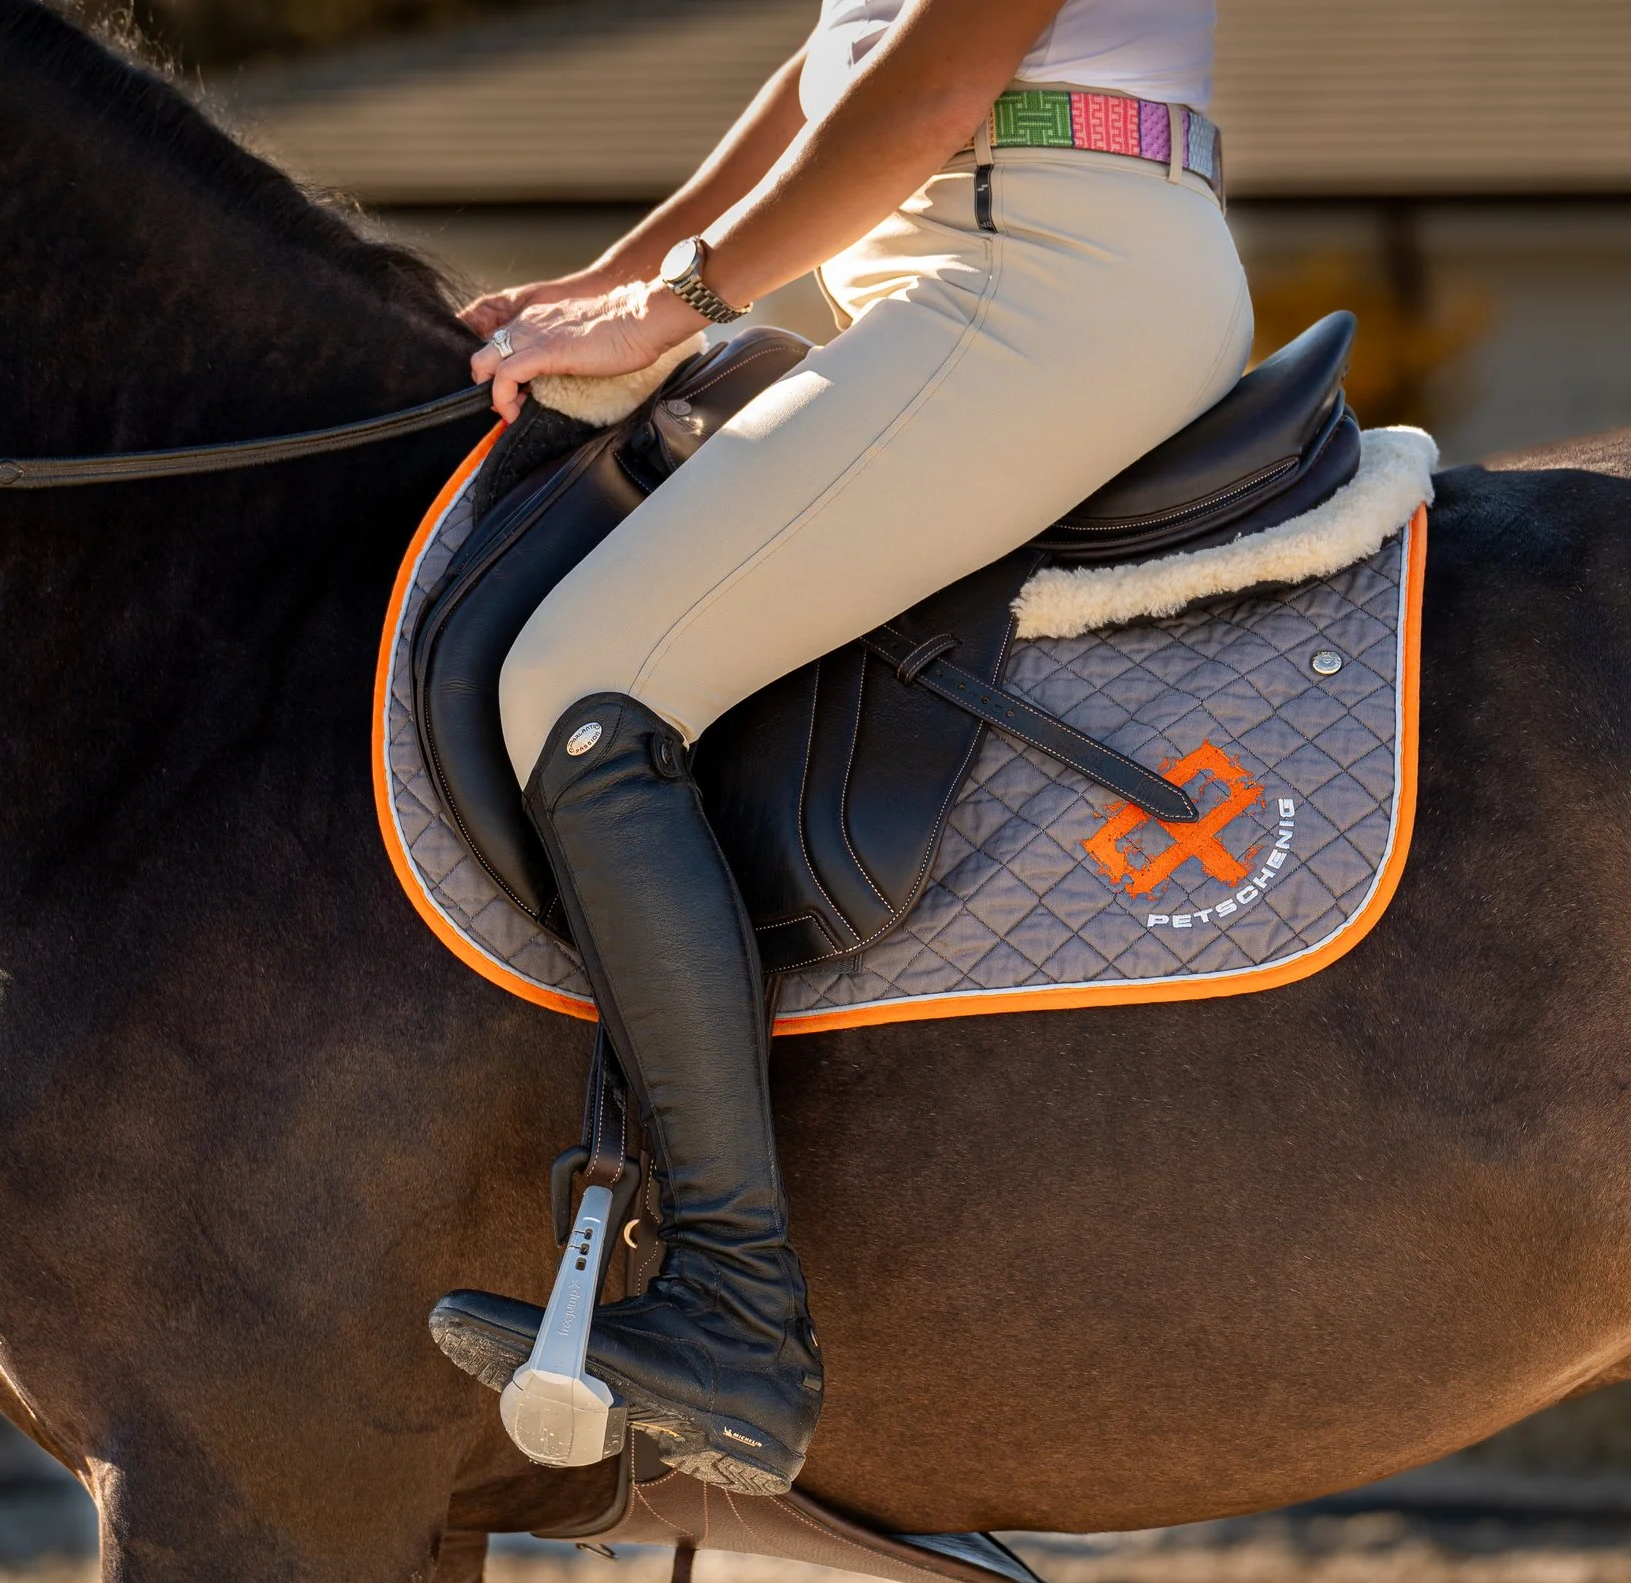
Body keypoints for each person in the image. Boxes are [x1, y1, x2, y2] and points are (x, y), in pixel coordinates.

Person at [431, 0, 1251, 1496]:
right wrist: (634, 268)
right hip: (961, 269)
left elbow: (934, 84)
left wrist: (677, 298)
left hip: (1041, 275)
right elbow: (852, 57)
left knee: (584, 679)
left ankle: (737, 1309)